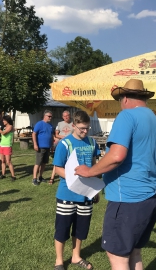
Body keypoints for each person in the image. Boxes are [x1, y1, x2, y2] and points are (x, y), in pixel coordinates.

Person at [75, 79, 156, 270]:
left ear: (124, 98)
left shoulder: (126, 116)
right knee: (134, 253)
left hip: (128, 199)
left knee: (117, 257)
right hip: (151, 196)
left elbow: (116, 156)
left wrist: (89, 171)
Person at [52, 110, 100, 270]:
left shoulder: (92, 143)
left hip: (86, 195)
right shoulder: (64, 144)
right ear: (73, 125)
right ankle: (59, 261)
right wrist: (74, 179)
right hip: (67, 193)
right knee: (62, 228)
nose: (85, 132)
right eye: (81, 128)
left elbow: (94, 166)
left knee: (81, 229)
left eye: (87, 128)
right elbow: (57, 168)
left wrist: (95, 190)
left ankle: (76, 256)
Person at [49, 110, 73, 185]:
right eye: (64, 116)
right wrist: (64, 137)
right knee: (58, 161)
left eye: (67, 115)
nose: (66, 117)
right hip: (61, 144)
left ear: (70, 116)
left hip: (70, 144)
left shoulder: (73, 124)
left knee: (69, 161)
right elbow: (56, 135)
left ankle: (69, 177)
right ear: (62, 117)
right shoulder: (59, 124)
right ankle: (52, 177)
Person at [31, 110, 54, 186]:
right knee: (38, 163)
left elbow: (51, 136)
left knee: (44, 163)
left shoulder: (50, 125)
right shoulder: (39, 124)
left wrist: (52, 145)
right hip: (40, 147)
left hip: (47, 147)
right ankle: (34, 178)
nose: (50, 118)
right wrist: (35, 144)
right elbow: (34, 134)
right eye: (49, 116)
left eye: (51, 116)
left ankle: (40, 176)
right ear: (45, 116)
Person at [0, 115, 16, 181]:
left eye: (4, 120)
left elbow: (3, 133)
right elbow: (3, 135)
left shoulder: (10, 127)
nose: (3, 121)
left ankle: (13, 176)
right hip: (2, 145)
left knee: (8, 161)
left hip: (7, 146)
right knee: (2, 160)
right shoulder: (5, 127)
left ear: (7, 121)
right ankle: (3, 174)